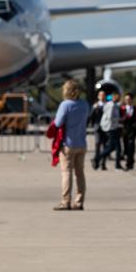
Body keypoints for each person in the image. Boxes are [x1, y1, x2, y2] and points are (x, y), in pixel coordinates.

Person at [52, 80, 89, 210]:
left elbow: (57, 123)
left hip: (68, 143)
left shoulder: (65, 105)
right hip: (82, 143)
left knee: (66, 172)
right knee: (80, 173)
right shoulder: (84, 104)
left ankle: (65, 201)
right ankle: (79, 201)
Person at [93, 91, 122, 170]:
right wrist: (120, 119)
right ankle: (97, 158)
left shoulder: (113, 105)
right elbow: (110, 117)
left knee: (114, 147)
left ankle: (114, 163)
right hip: (110, 128)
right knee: (111, 147)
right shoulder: (111, 105)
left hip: (113, 127)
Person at [119, 93, 136, 171]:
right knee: (126, 146)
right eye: (126, 99)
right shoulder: (122, 109)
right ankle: (126, 157)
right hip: (124, 130)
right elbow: (119, 119)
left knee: (131, 146)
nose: (128, 101)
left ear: (132, 100)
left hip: (132, 130)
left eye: (129, 99)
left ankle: (129, 163)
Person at [88, 91, 107, 170]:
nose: (102, 97)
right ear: (98, 97)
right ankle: (96, 163)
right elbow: (91, 116)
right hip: (98, 127)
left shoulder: (108, 105)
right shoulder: (95, 105)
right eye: (101, 95)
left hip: (106, 128)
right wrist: (93, 125)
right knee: (98, 144)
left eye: (103, 95)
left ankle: (103, 164)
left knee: (105, 146)